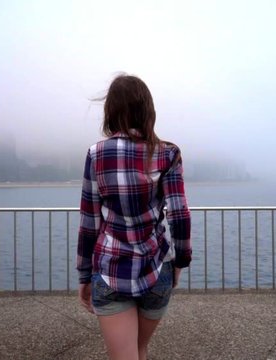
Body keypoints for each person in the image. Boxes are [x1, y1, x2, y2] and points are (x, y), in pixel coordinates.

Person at [77, 74, 192, 360]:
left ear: (111, 111)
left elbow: (89, 222)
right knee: (139, 349)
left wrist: (83, 275)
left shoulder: (96, 154)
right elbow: (179, 215)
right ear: (147, 110)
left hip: (110, 267)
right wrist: (180, 261)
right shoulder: (168, 153)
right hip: (157, 267)